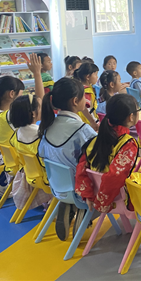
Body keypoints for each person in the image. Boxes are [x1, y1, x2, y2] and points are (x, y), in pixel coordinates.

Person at [38, 77, 98, 241]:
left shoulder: (47, 125)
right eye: (84, 96)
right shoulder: (81, 129)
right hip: (81, 188)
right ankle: (84, 212)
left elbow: (42, 152)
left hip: (57, 187)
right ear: (75, 101)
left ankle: (69, 206)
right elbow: (98, 155)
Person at [75, 94, 140, 213]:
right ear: (131, 117)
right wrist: (101, 203)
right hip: (119, 200)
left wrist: (88, 195)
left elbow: (81, 168)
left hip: (98, 194)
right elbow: (114, 177)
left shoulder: (96, 139)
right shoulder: (128, 144)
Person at [0, 54, 44, 146]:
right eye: (21, 94)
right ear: (12, 94)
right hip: (19, 153)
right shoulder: (11, 115)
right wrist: (37, 73)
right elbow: (39, 102)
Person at [9, 88, 51, 211]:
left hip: (30, 175)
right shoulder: (41, 135)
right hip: (47, 177)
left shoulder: (17, 134)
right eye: (41, 106)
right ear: (33, 113)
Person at [73, 62, 100, 130]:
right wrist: (93, 122)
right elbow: (86, 108)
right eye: (95, 74)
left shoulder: (81, 87)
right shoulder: (86, 91)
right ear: (88, 77)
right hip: (87, 123)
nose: (97, 77)